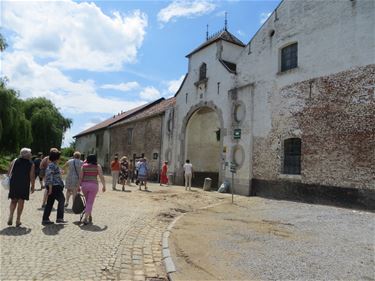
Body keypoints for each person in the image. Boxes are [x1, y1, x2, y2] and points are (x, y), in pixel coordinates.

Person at [7, 148, 35, 227]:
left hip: (14, 183)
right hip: (24, 183)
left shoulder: (14, 161)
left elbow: (8, 172)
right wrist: (32, 186)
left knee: (13, 200)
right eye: (30, 153)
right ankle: (18, 220)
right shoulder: (31, 163)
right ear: (27, 154)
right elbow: (32, 176)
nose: (31, 154)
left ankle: (11, 215)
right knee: (21, 201)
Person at [79, 154, 106, 225]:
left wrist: (78, 186)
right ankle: (85, 218)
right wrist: (104, 185)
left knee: (88, 202)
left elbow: (80, 177)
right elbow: (101, 176)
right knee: (90, 202)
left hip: (84, 185)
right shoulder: (98, 166)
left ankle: (89, 215)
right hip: (94, 186)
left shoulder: (83, 166)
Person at [42, 150, 66, 225]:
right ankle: (59, 218)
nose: (60, 158)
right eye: (59, 156)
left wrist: (60, 172)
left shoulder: (54, 165)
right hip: (54, 187)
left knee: (50, 202)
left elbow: (54, 174)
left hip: (54, 186)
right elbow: (49, 176)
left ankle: (46, 219)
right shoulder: (52, 165)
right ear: (57, 158)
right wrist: (50, 188)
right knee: (62, 199)